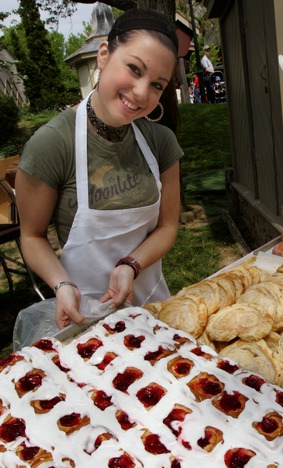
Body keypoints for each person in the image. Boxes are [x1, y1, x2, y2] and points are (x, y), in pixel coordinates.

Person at [15, 6, 183, 332]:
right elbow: (32, 236)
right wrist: (61, 285)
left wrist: (129, 265)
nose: (140, 93)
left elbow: (167, 227)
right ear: (104, 54)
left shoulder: (161, 142)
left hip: (152, 309)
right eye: (134, 69)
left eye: (157, 85)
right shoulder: (52, 144)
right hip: (83, 319)